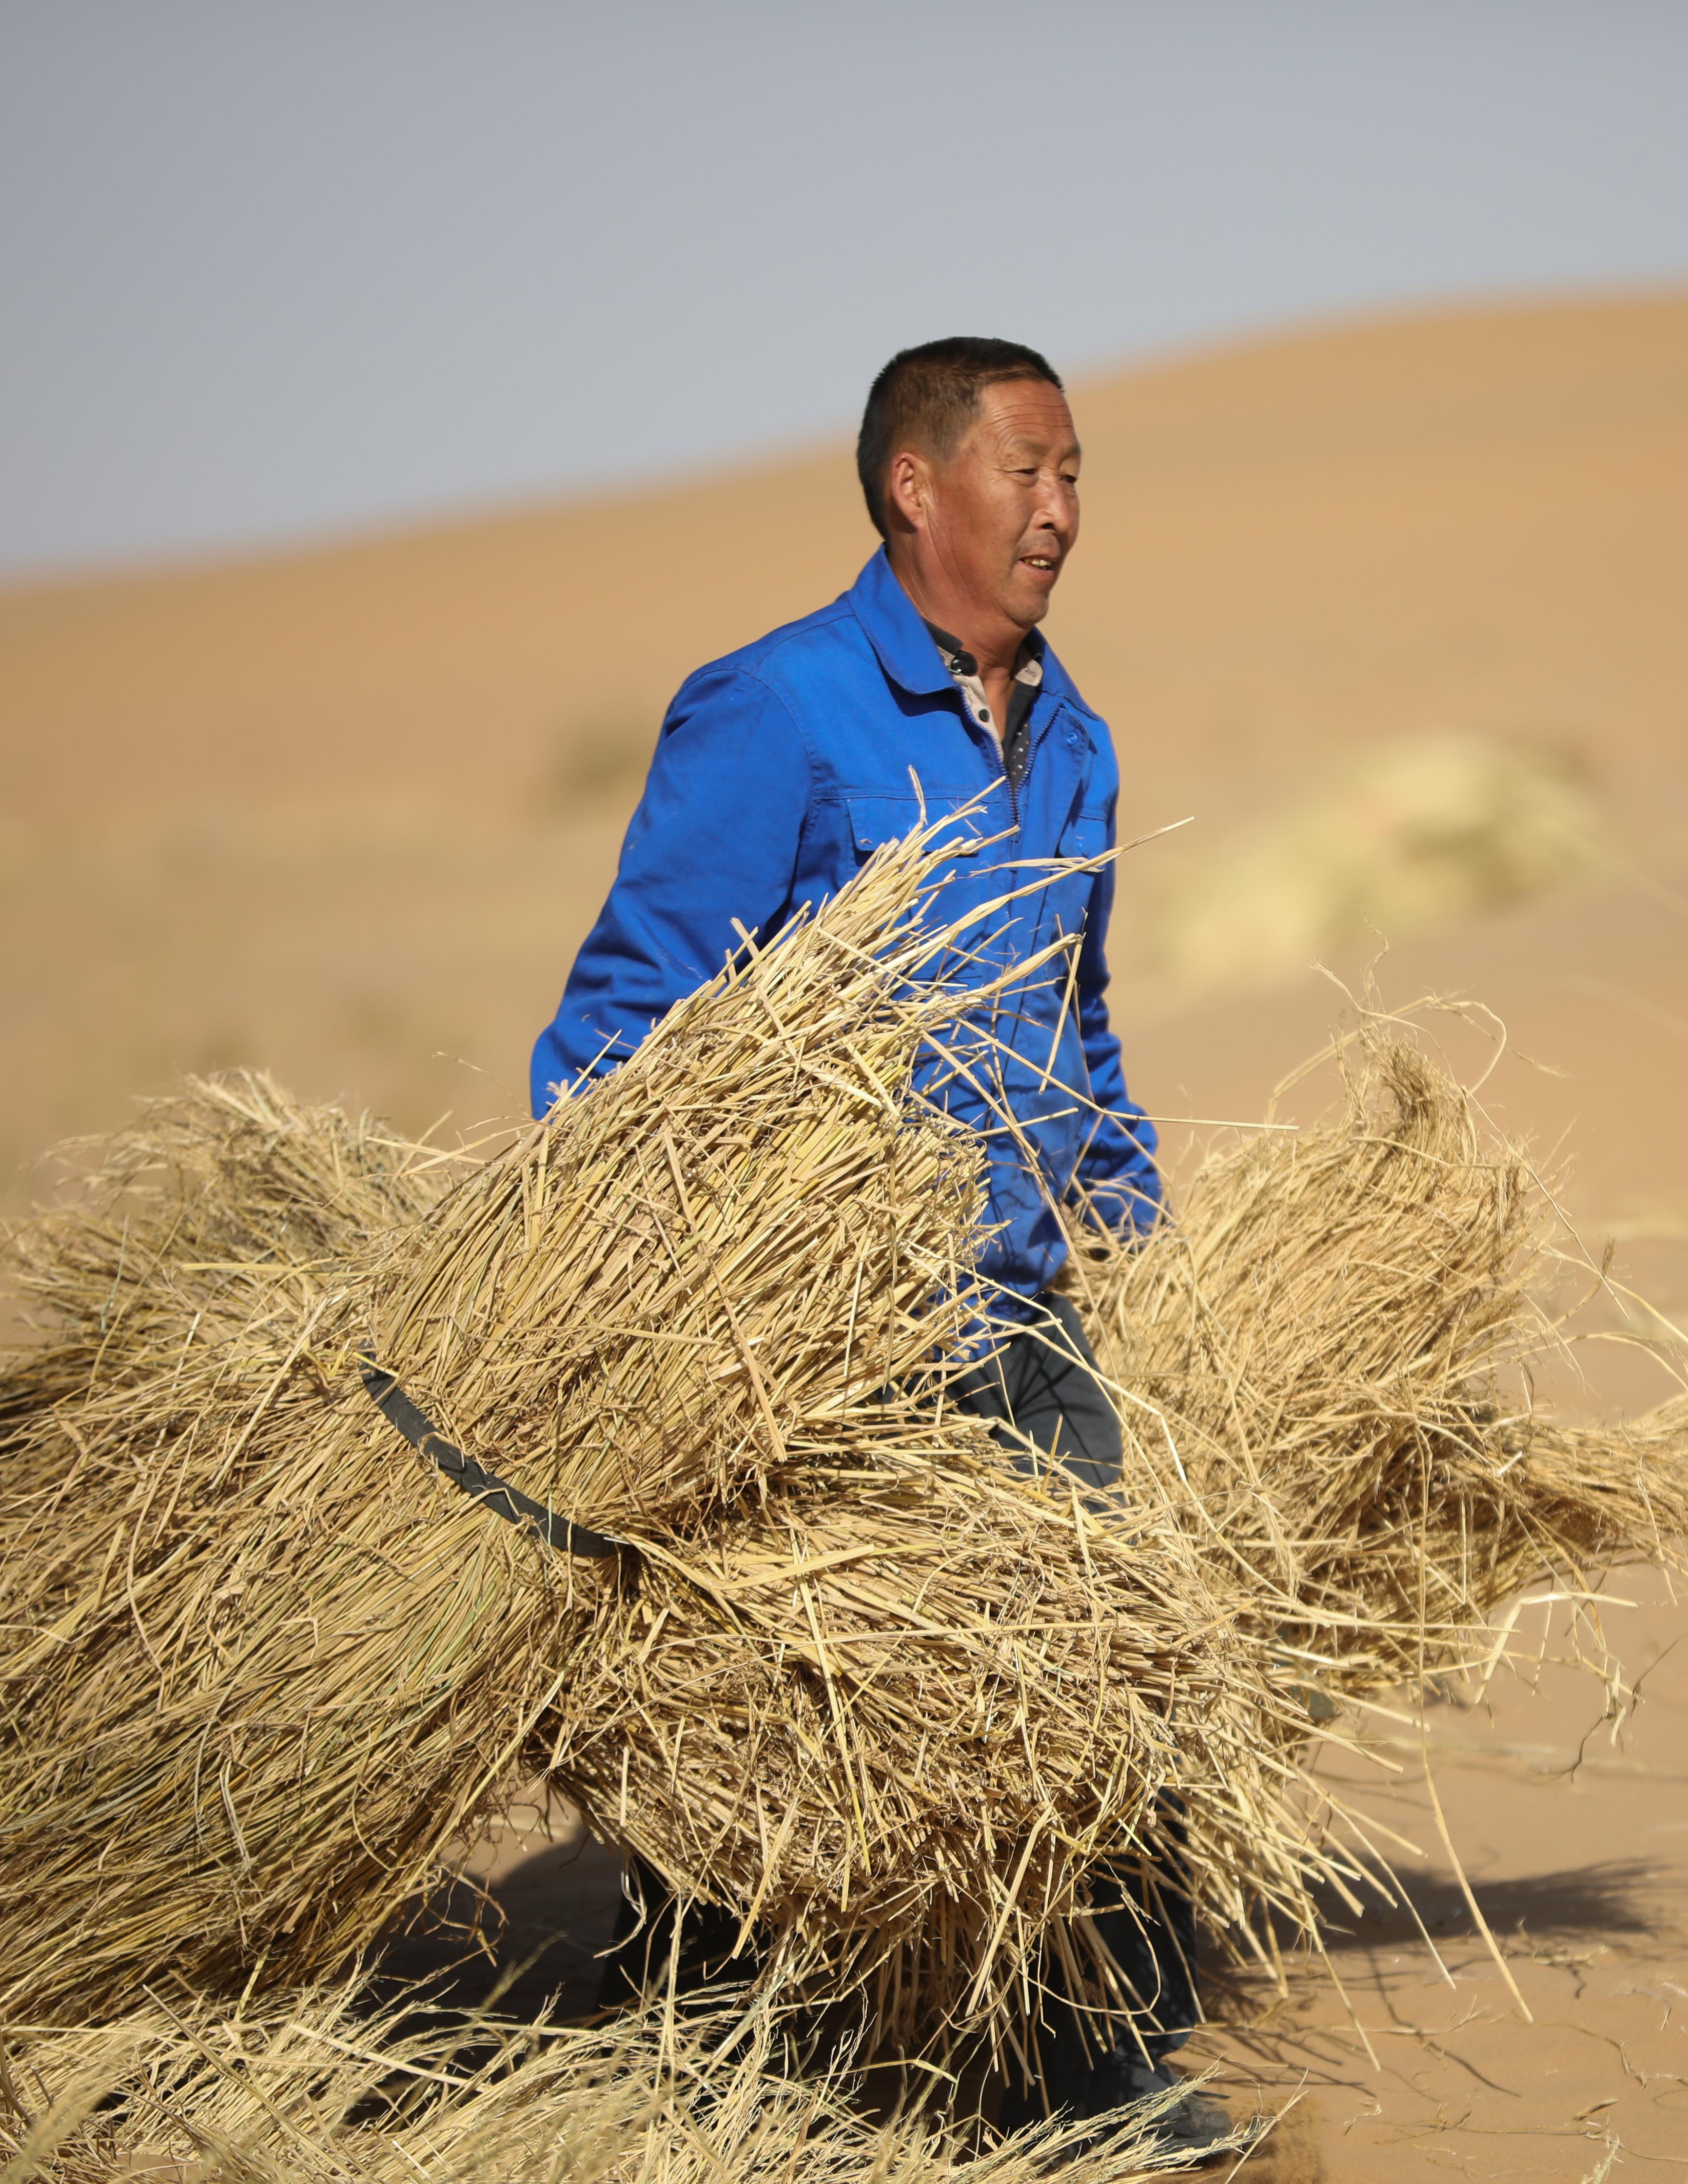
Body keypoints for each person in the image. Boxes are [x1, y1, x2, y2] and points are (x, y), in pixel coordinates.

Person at [530, 338, 1219, 2155]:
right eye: (1027, 472)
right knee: (778, 1732)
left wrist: (1128, 1218)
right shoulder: (777, 708)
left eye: (1079, 475)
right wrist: (640, 1300)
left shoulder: (1076, 741)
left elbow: (1077, 1026)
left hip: (1020, 1317)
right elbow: (631, 1020)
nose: (1062, 511)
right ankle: (692, 2064)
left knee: (1079, 1694)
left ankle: (1091, 2081)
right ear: (917, 487)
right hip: (818, 1341)